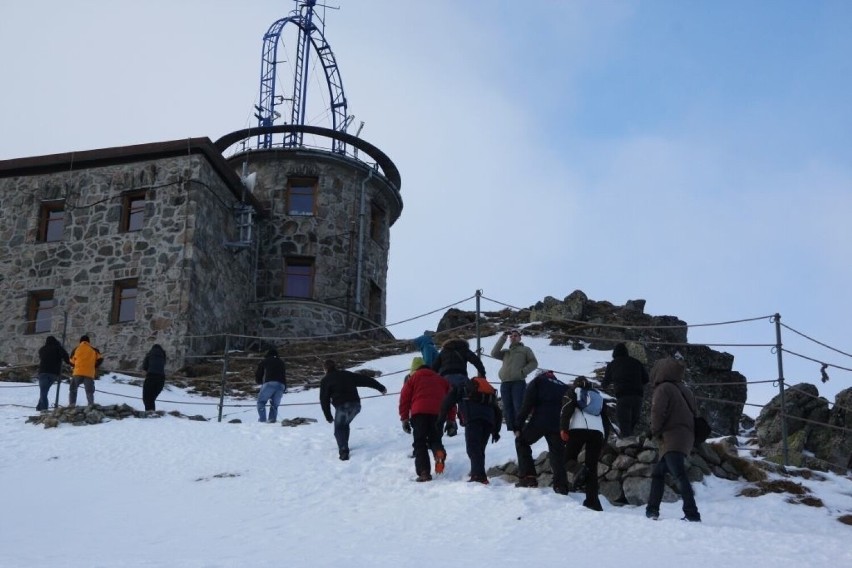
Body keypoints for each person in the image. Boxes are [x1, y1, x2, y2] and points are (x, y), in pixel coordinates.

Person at [645, 353, 702, 522]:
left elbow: (657, 412)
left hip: (672, 438)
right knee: (658, 473)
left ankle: (692, 514)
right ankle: (652, 510)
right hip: (686, 437)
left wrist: (654, 431)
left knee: (679, 475)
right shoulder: (685, 390)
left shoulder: (663, 388)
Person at [437, 376, 503, 484]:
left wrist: (440, 421)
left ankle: (478, 477)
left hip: (473, 419)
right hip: (489, 421)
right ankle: (480, 475)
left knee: (473, 448)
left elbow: (446, 404)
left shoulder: (460, 389)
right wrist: (496, 431)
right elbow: (497, 411)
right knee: (479, 449)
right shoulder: (483, 392)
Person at [559, 376, 612, 511]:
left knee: (566, 460)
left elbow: (567, 409)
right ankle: (593, 502)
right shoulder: (598, 397)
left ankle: (578, 470)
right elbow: (606, 419)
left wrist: (563, 428)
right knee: (592, 467)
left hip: (578, 429)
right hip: (597, 432)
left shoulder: (574, 392)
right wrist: (604, 440)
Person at [399, 357, 455, 482]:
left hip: (419, 414)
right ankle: (439, 452)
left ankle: (424, 472)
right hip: (438, 414)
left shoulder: (412, 379)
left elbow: (404, 399)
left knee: (420, 442)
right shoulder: (441, 379)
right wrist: (451, 419)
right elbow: (451, 399)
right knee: (435, 439)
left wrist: (404, 419)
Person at [319, 359, 387, 461]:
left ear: (325, 369)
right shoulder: (346, 374)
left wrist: (328, 416)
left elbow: (324, 400)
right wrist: (380, 387)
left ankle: (343, 451)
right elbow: (365, 380)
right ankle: (344, 445)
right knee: (344, 425)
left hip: (342, 406)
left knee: (339, 428)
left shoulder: (325, 380)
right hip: (356, 406)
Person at [513, 370, 569, 493]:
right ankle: (561, 486)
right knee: (557, 454)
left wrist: (518, 425)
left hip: (540, 420)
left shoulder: (538, 381)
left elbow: (527, 404)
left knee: (522, 441)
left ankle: (528, 478)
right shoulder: (564, 386)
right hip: (558, 423)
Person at [490, 329, 538, 431]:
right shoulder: (506, 352)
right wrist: (503, 337)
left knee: (518, 406)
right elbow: (494, 353)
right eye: (511, 336)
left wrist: (523, 372)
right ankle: (511, 429)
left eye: (515, 335)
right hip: (505, 382)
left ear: (520, 337)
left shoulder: (525, 349)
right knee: (507, 407)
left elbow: (534, 363)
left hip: (518, 382)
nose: (513, 337)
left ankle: (520, 427)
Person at [601, 342, 649, 437]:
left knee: (624, 422)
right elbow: (646, 379)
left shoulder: (612, 364)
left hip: (623, 397)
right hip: (637, 397)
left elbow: (605, 382)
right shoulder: (636, 362)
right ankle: (631, 445)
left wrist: (605, 385)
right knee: (633, 421)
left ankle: (626, 445)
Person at [36, 336, 71, 411]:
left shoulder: (42, 349)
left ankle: (43, 408)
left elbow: (41, 357)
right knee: (44, 390)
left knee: (43, 391)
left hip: (43, 372)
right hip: (53, 373)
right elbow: (67, 358)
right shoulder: (58, 348)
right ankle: (39, 407)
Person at [68, 335, 103, 407]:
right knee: (89, 391)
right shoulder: (94, 350)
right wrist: (94, 366)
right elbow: (100, 359)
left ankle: (72, 404)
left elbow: (71, 361)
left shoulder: (76, 349)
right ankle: (91, 404)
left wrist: (75, 366)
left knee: (73, 389)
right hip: (89, 373)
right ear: (89, 341)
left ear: (80, 341)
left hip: (77, 372)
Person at [255, 348, 287, 423]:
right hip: (281, 385)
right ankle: (272, 420)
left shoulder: (265, 361)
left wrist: (259, 381)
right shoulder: (281, 362)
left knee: (261, 402)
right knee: (274, 405)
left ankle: (262, 420)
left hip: (269, 383)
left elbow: (259, 373)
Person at [142, 344, 167, 411]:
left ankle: (150, 414)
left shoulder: (150, 354)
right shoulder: (163, 355)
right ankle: (151, 414)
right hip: (161, 378)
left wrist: (145, 370)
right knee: (151, 399)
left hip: (151, 376)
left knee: (146, 398)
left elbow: (145, 366)